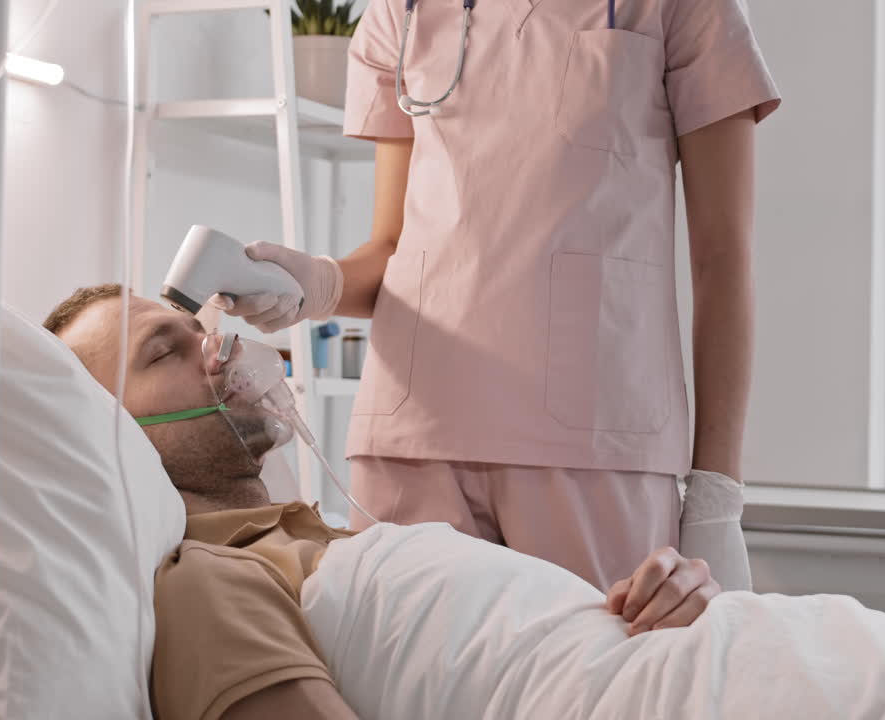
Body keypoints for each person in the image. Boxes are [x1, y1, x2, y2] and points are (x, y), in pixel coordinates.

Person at [45, 286, 885, 720]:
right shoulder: (202, 582)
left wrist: (667, 592)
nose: (214, 345)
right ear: (106, 440)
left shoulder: (324, 536)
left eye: (193, 325)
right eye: (162, 353)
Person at [206, 0, 781, 591]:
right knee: (398, 680)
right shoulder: (400, 12)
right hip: (412, 435)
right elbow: (393, 246)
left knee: (592, 678)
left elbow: (721, 258)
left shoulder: (681, 9)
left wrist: (717, 491)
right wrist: (314, 283)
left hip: (592, 441)